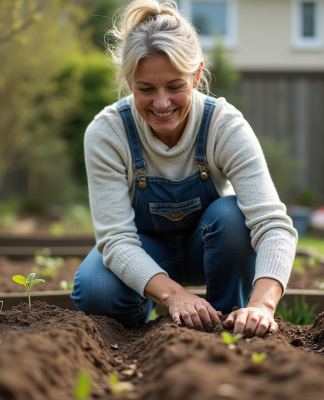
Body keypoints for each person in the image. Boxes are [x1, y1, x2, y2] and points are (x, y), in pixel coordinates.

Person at [71, 0, 297, 337]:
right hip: (144, 249)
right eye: (146, 89)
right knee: (95, 290)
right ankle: (140, 323)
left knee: (234, 217)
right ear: (130, 82)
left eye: (175, 86)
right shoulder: (107, 133)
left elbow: (273, 224)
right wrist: (173, 295)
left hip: (207, 246)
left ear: (196, 74)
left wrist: (263, 304)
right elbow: (116, 239)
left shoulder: (224, 126)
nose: (161, 104)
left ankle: (230, 317)